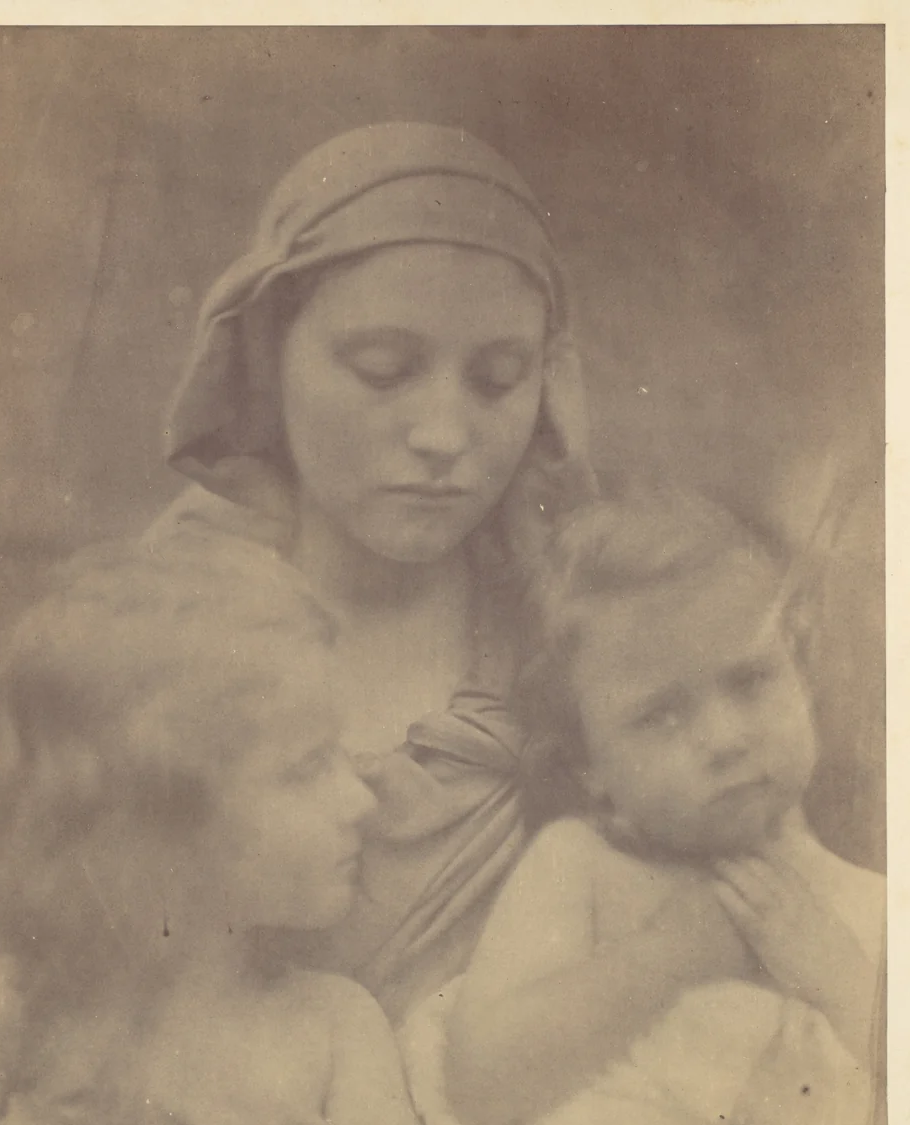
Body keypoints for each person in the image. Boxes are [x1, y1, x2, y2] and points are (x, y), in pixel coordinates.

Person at [149, 121, 595, 1024]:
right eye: (383, 370)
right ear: (270, 355)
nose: (443, 434)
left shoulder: (579, 632)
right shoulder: (150, 638)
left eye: (498, 381)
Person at [400, 485, 885, 1125]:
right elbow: (478, 1083)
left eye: (750, 681)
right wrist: (668, 957)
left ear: (802, 675)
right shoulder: (583, 865)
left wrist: (840, 980)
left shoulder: (870, 907)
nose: (724, 739)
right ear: (589, 765)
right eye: (661, 715)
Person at [0, 533, 434, 1125]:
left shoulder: (332, 1027)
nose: (361, 800)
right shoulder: (8, 1012)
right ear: (156, 814)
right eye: (306, 767)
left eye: (341, 756)